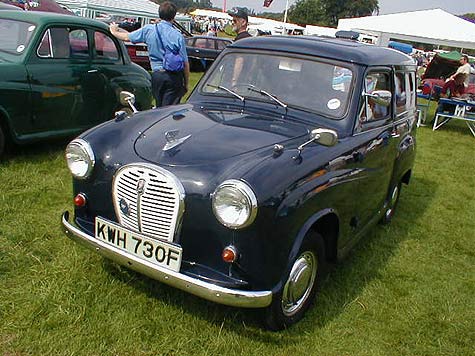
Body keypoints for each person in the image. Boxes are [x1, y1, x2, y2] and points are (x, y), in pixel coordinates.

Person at [109, 1, 189, 107]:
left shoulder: (149, 30)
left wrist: (114, 31)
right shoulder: (177, 35)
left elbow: (128, 37)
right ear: (173, 16)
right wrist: (186, 83)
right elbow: (185, 63)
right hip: (174, 77)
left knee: (159, 106)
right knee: (170, 110)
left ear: (159, 14)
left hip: (157, 74)